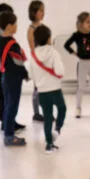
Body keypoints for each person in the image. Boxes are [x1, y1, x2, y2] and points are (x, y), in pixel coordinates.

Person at [30, 25, 66, 153]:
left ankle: (49, 145)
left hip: (42, 91)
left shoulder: (33, 55)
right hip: (55, 89)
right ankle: (57, 129)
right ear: (49, 38)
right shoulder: (53, 52)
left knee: (48, 117)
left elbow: (31, 75)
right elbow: (60, 71)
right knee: (62, 109)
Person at [0, 10, 30, 147]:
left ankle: (7, 129)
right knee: (12, 106)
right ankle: (9, 136)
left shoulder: (0, 40)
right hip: (14, 79)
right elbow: (18, 63)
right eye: (15, 24)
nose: (17, 26)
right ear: (9, 26)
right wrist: (25, 74)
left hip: (5, 77)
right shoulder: (12, 44)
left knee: (7, 105)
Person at [64, 12, 90, 119]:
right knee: (81, 87)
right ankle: (78, 108)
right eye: (88, 22)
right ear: (81, 24)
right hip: (82, 63)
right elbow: (66, 45)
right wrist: (75, 53)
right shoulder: (77, 35)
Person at [0, 4, 21, 132]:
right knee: (5, 96)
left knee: (9, 97)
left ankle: (10, 121)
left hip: (6, 69)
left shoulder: (5, 34)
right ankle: (5, 121)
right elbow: (1, 55)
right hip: (2, 69)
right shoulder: (0, 35)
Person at [27, 2, 47, 122]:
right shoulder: (31, 29)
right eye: (41, 11)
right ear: (34, 12)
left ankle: (45, 111)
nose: (43, 13)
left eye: (44, 10)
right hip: (38, 61)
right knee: (37, 88)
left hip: (44, 60)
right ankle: (36, 113)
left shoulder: (42, 27)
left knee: (44, 87)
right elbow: (32, 48)